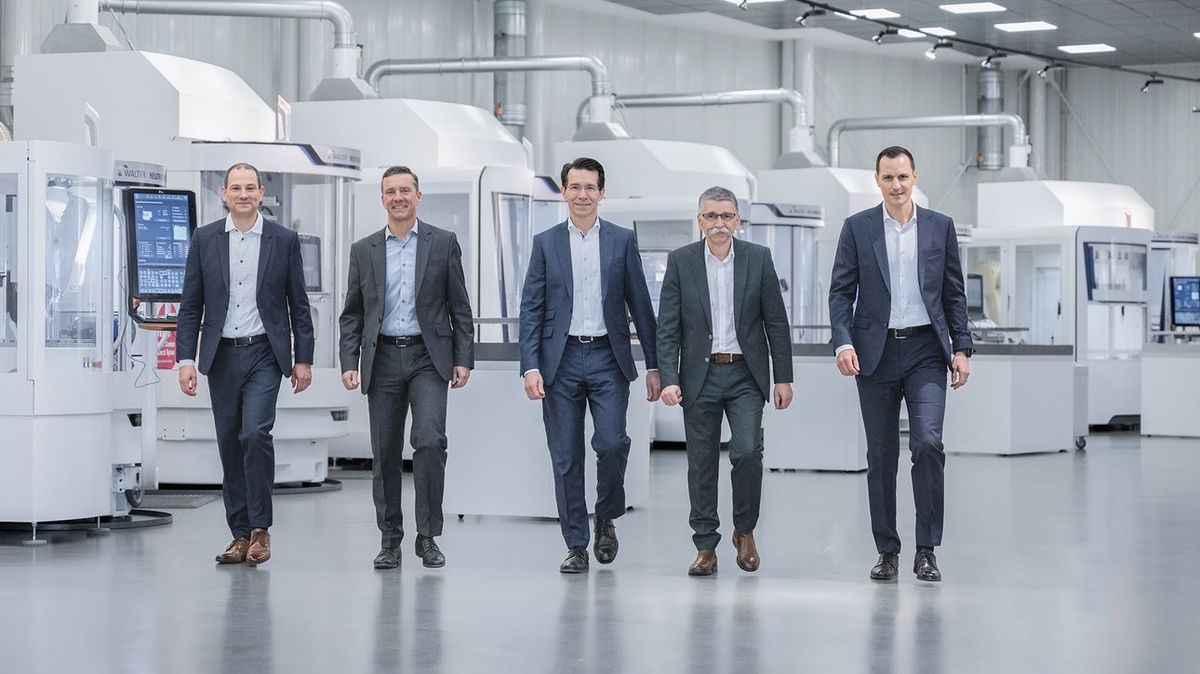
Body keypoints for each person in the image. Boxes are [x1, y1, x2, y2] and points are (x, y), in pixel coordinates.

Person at [828, 145, 974, 583]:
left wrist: (962, 348)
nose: (896, 185)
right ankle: (887, 551)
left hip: (927, 351)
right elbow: (840, 292)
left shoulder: (939, 227)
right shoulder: (858, 228)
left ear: (915, 178)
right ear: (877, 180)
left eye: (903, 177)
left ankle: (926, 550)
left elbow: (953, 293)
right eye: (888, 177)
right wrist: (843, 343)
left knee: (927, 445)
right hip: (874, 354)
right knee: (881, 456)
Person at [519, 156, 661, 573]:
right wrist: (530, 366)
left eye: (590, 187)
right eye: (575, 187)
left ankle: (606, 516)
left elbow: (641, 305)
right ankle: (576, 544)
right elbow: (531, 308)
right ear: (564, 192)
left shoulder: (621, 240)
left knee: (612, 443)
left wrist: (655, 366)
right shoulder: (546, 243)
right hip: (559, 361)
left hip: (607, 358)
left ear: (602, 192)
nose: (583, 195)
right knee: (565, 457)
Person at [176, 162, 315, 567]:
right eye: (235, 187)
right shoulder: (204, 239)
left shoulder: (282, 240)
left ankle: (260, 530)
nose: (243, 194)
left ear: (260, 194)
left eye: (250, 187)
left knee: (255, 434)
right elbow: (190, 306)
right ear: (224, 193)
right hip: (220, 355)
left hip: (264, 353)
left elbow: (299, 305)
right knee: (229, 442)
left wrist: (303, 359)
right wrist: (185, 359)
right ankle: (239, 534)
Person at [339, 165, 474, 570]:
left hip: (427, 357)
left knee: (430, 441)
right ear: (382, 198)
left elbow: (459, 305)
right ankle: (389, 540)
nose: (397, 197)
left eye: (404, 190)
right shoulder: (364, 250)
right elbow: (353, 313)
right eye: (390, 191)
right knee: (384, 452)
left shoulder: (442, 243)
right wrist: (349, 361)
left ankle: (428, 537)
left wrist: (463, 358)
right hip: (381, 359)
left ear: (418, 196)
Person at [657, 186, 793, 577]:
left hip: (745, 373)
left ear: (738, 220)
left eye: (727, 216)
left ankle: (744, 532)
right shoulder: (681, 261)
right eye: (711, 216)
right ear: (700, 220)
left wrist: (783, 377)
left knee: (747, 452)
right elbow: (667, 326)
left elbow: (776, 323)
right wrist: (668, 378)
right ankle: (705, 545)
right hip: (698, 375)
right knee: (701, 462)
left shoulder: (758, 258)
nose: (719, 223)